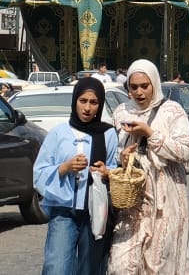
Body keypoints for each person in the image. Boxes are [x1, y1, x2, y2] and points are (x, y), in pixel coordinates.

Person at [109, 60, 189, 275]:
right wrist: (124, 157)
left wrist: (150, 134)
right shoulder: (121, 112)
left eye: (144, 86)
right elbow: (113, 151)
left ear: (154, 84)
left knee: (159, 264)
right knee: (122, 264)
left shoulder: (172, 111)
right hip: (132, 199)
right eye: (133, 86)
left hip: (166, 199)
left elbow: (185, 151)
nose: (139, 92)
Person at [33, 77, 119, 275]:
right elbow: (39, 172)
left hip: (95, 211)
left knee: (90, 267)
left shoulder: (108, 134)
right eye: (83, 101)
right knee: (57, 267)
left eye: (94, 102)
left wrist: (106, 173)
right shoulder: (58, 134)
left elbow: (115, 170)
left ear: (100, 105)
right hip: (64, 212)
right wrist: (64, 168)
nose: (87, 108)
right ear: (74, 101)